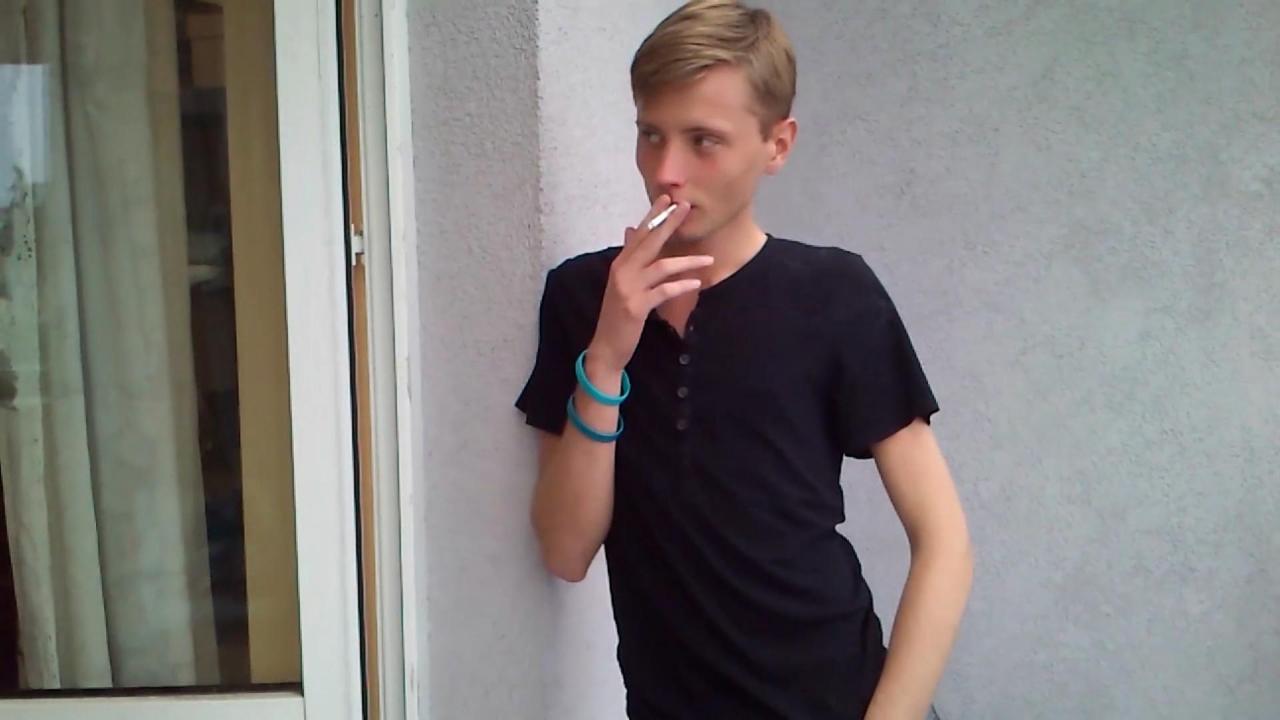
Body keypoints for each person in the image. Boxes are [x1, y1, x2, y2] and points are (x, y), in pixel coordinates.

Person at [515, 2, 972, 718]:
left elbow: (944, 540)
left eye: (704, 141)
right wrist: (606, 356)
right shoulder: (582, 297)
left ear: (776, 145)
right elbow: (566, 552)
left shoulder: (833, 294)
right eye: (651, 135)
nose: (666, 172)